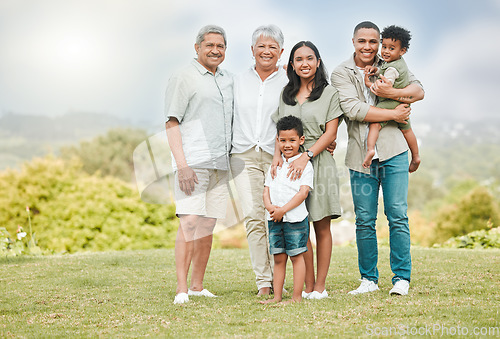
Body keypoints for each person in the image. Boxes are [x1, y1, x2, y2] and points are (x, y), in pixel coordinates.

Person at [331, 21, 424, 296]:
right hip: (360, 157)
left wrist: (392, 94)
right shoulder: (341, 72)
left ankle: (401, 279)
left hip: (395, 151)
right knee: (364, 219)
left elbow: (418, 91)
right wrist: (395, 113)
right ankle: (368, 279)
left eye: (374, 42)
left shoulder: (391, 64)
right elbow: (354, 109)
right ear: (354, 41)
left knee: (397, 215)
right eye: (363, 41)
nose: (369, 47)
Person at [165, 25, 233, 304]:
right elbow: (171, 122)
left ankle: (197, 286)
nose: (215, 50)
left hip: (221, 163)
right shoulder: (183, 77)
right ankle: (181, 289)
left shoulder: (228, 79)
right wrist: (182, 165)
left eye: (221, 46)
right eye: (209, 45)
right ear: (197, 48)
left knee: (207, 226)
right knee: (189, 222)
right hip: (192, 162)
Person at [272, 41, 342, 300]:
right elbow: (278, 131)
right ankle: (308, 285)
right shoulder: (285, 94)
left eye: (309, 58)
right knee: (300, 225)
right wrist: (276, 157)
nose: (304, 63)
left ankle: (320, 287)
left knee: (321, 226)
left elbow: (331, 133)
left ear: (318, 62)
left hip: (319, 163)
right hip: (288, 169)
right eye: (299, 59)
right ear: (292, 64)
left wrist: (308, 155)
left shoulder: (329, 93)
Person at [230, 25, 288, 295]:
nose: (266, 51)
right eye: (261, 46)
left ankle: (280, 279)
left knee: (277, 216)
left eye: (272, 47)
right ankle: (263, 282)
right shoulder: (236, 81)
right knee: (253, 217)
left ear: (281, 52)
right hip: (243, 155)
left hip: (277, 156)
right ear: (252, 50)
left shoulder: (289, 82)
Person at [260, 115, 314, 304]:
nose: (287, 145)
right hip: (274, 219)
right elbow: (266, 189)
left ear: (301, 140)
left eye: (292, 140)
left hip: (296, 220)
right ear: (277, 141)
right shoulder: (276, 164)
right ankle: (276, 297)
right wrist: (269, 207)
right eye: (283, 141)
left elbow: (303, 193)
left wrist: (283, 209)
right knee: (278, 259)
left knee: (297, 257)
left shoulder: (304, 165)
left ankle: (296, 297)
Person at [362, 25, 420, 172]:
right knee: (407, 131)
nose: (386, 51)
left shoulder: (393, 69)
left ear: (402, 51)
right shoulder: (398, 63)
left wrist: (369, 82)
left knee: (374, 125)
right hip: (402, 105)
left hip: (389, 104)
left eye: (391, 48)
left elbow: (382, 88)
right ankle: (416, 156)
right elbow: (386, 70)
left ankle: (370, 150)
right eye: (385, 46)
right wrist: (376, 70)